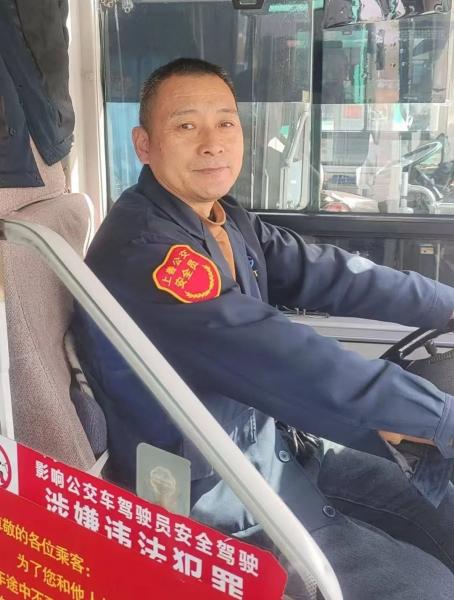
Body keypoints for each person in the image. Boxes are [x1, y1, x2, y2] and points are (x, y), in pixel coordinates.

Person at [73, 58, 454, 599]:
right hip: (217, 500)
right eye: (186, 126)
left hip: (277, 451)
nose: (212, 143)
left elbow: (333, 273)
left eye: (225, 123)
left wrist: (445, 306)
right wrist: (439, 417)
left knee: (445, 508)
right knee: (428, 589)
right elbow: (287, 359)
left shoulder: (223, 219)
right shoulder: (146, 253)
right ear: (144, 145)